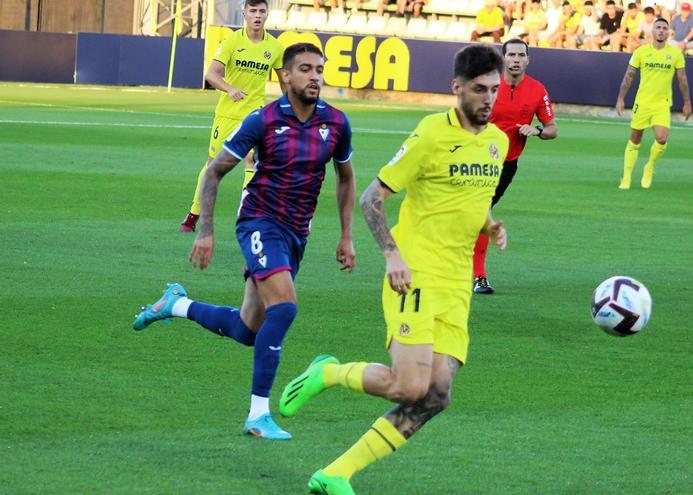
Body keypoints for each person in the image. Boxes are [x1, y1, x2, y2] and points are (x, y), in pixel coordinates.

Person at [277, 45, 509, 495]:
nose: (489, 99)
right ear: (457, 88)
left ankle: (335, 473)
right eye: (480, 89)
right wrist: (392, 254)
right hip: (414, 274)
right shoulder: (429, 135)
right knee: (408, 386)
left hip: (457, 284)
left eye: (495, 90)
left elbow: (470, 197)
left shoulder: (496, 141)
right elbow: (371, 198)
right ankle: (329, 373)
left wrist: (489, 224)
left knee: (436, 395)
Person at [133, 43, 357, 439]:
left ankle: (176, 304)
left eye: (320, 69)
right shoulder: (263, 120)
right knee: (284, 309)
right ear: (285, 76)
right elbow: (215, 171)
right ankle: (258, 415)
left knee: (247, 330)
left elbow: (345, 177)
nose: (315, 76)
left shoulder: (336, 123)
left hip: (296, 233)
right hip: (259, 222)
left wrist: (345, 236)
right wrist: (205, 231)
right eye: (305, 69)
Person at [180, 0, 286, 232]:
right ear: (244, 13)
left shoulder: (275, 47)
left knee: (252, 160)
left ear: (267, 14)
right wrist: (230, 89)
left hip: (254, 115)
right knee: (213, 166)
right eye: (253, 11)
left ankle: (246, 216)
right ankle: (193, 214)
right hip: (227, 114)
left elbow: (284, 82)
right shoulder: (231, 41)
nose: (257, 15)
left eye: (261, 11)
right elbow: (212, 74)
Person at [473, 39, 558, 294]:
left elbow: (553, 129)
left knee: (479, 213)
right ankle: (479, 276)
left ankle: (468, 269)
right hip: (477, 160)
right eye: (511, 54)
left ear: (528, 59)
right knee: (480, 210)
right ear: (503, 58)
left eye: (521, 55)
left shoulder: (537, 90)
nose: (516, 59)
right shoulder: (488, 85)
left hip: (507, 165)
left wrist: (538, 130)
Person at [615, 17, 692, 190]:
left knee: (662, 138)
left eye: (665, 28)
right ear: (652, 30)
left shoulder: (676, 54)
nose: (661, 31)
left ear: (668, 32)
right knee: (635, 140)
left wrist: (687, 102)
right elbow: (629, 76)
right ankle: (626, 177)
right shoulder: (641, 52)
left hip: (662, 104)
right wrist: (621, 98)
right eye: (658, 27)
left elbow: (683, 80)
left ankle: (649, 166)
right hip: (642, 103)